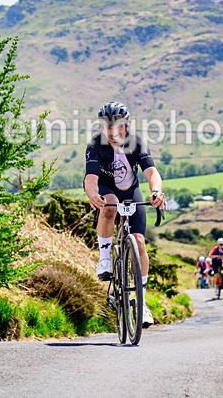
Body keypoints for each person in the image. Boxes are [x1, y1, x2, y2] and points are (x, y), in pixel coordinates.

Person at [84, 101, 167, 328]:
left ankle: (142, 302)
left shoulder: (136, 143)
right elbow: (90, 179)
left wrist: (156, 191)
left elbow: (151, 172)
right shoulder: (96, 145)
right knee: (110, 207)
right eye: (107, 126)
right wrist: (93, 195)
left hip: (130, 191)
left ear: (126, 125)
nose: (112, 132)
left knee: (139, 241)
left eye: (117, 126)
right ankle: (104, 260)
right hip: (106, 189)